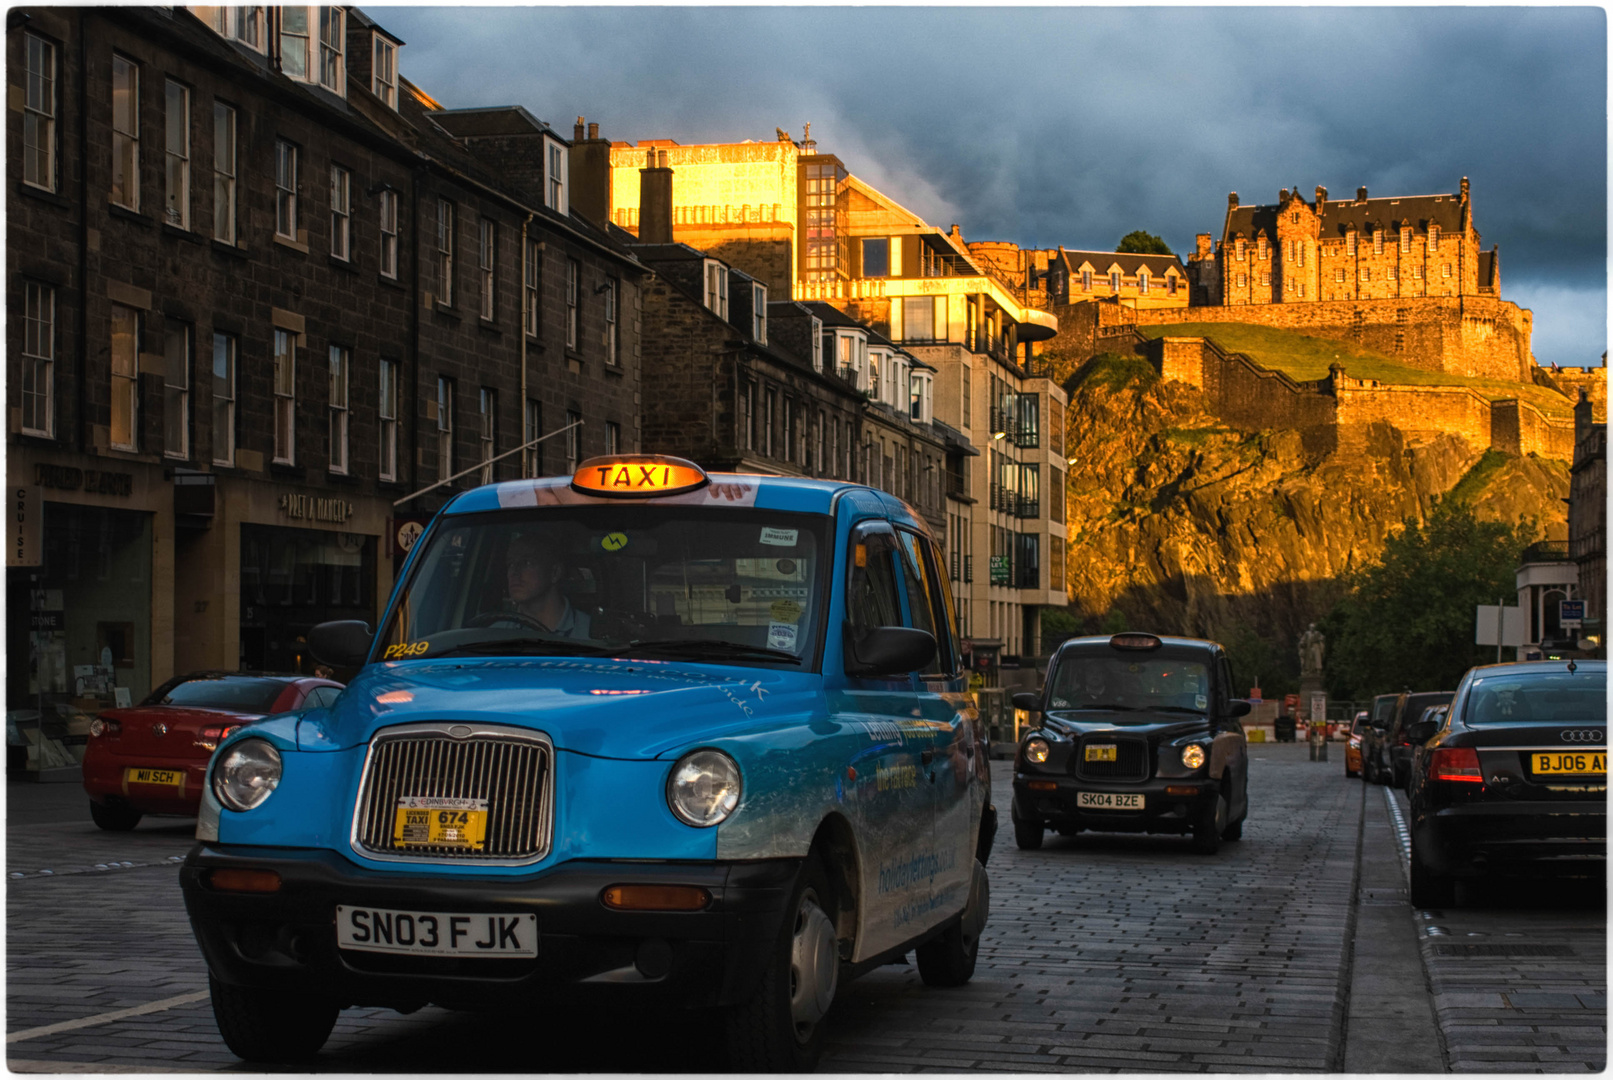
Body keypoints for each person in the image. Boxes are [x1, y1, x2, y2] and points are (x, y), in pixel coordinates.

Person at [496, 534, 592, 639]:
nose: (514, 572)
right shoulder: (495, 633)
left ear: (554, 572)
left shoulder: (591, 633)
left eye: (527, 562)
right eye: (510, 564)